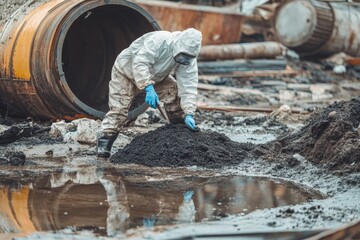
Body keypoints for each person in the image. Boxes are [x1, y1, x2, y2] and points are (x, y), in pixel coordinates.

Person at [97, 28, 203, 158]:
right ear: (178, 45)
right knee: (119, 109)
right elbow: (140, 62)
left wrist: (189, 112)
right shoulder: (160, 40)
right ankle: (104, 143)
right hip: (126, 71)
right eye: (183, 55)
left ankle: (179, 132)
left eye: (188, 58)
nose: (184, 60)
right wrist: (148, 87)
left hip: (157, 77)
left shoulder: (188, 60)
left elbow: (188, 86)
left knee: (174, 95)